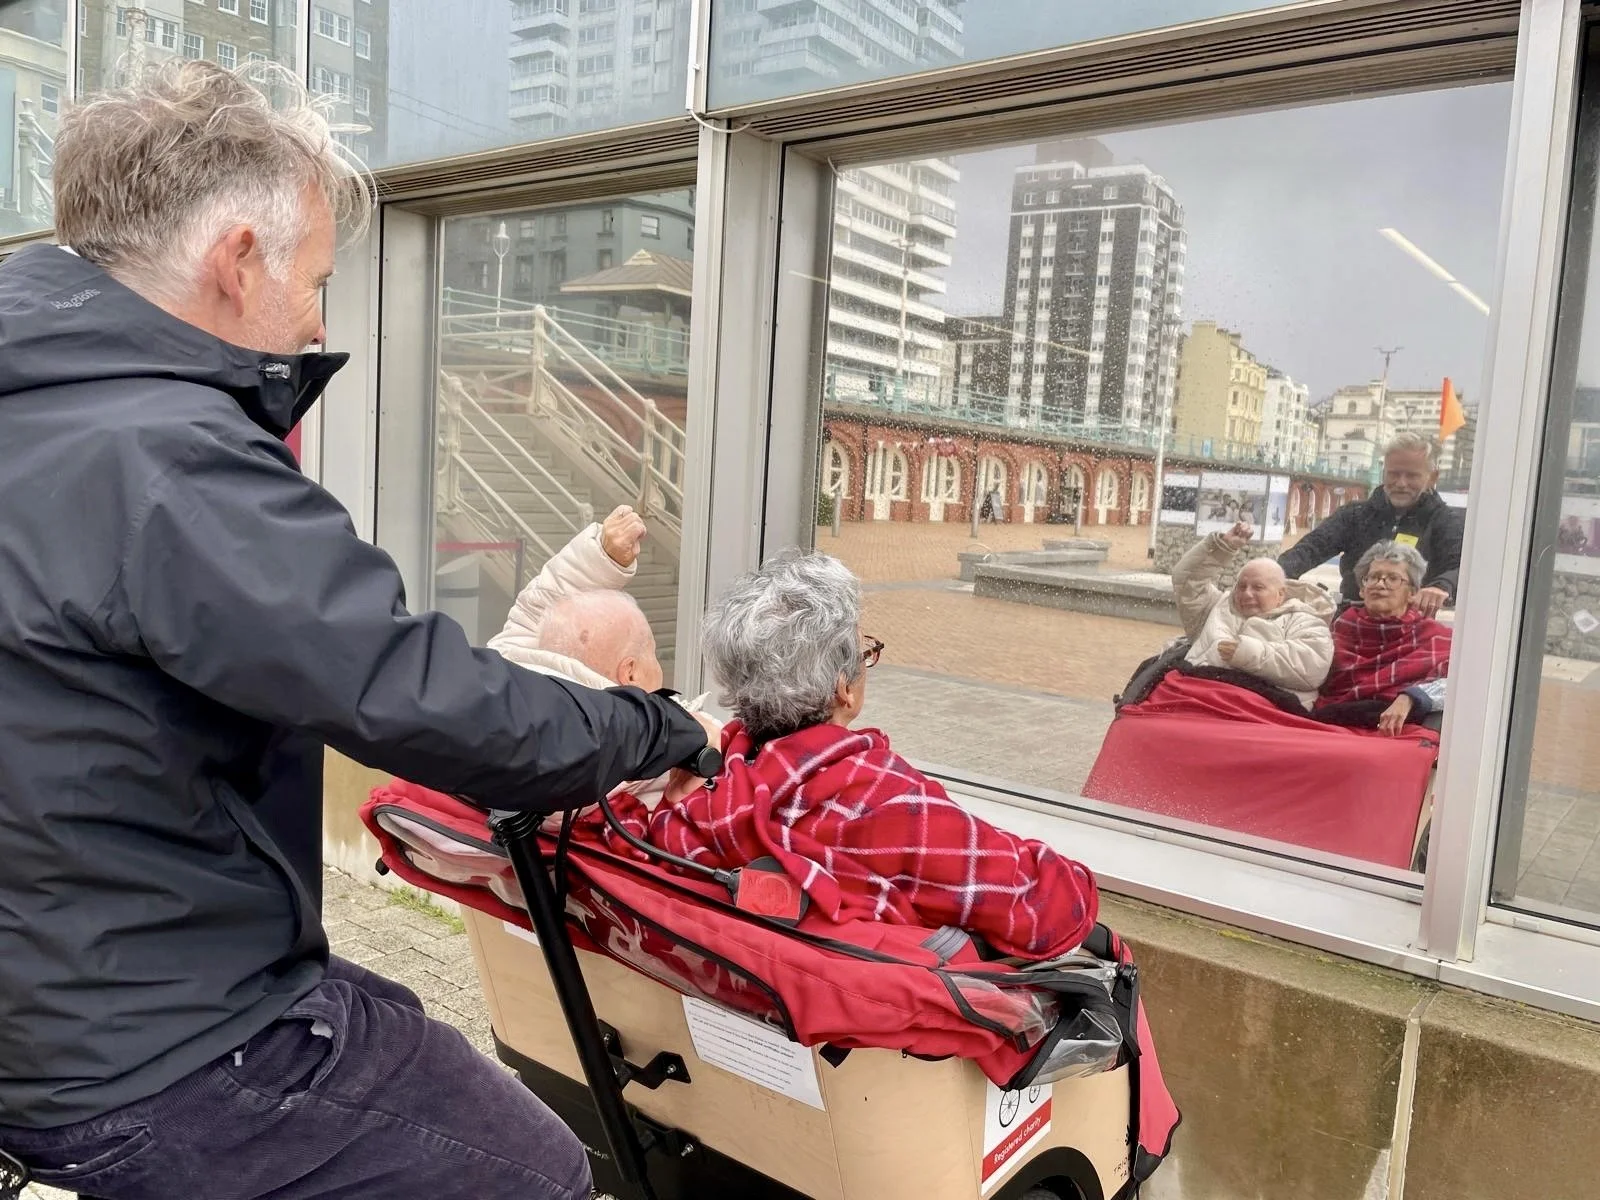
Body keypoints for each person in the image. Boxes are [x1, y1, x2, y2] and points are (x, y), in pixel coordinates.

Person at [0, 62, 712, 1200]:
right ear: (238, 262)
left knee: (385, 1024)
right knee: (529, 1169)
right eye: (318, 280)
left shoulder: (36, 404)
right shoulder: (167, 457)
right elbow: (417, 695)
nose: (322, 322)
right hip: (152, 1047)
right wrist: (654, 729)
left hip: (50, 998)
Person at [591, 550, 1100, 961]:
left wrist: (671, 799)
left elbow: (624, 832)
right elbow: (1054, 911)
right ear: (843, 690)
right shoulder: (888, 803)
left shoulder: (707, 801)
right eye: (864, 655)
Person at [485, 503, 718, 805]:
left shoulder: (505, 690)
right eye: (654, 654)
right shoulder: (646, 759)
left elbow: (534, 610)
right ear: (630, 673)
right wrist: (695, 733)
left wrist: (603, 556)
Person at [1277, 432, 1464, 618]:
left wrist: (1442, 586)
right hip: (1350, 624)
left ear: (1433, 477)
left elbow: (1461, 568)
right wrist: (1274, 574)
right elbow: (1310, 549)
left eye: (1412, 476)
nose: (1401, 483)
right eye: (1393, 474)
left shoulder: (1445, 522)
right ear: (1384, 473)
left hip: (1411, 632)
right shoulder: (1355, 515)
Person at [1170, 521, 1335, 709]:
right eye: (1241, 586)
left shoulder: (1305, 619)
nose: (1247, 594)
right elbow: (1187, 580)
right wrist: (1222, 547)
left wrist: (1246, 653)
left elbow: (1312, 668)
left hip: (1264, 708)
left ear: (1281, 594)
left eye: (1258, 588)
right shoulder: (1215, 607)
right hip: (1197, 695)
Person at [1315, 542, 1452, 735]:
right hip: (1331, 722)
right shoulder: (1338, 629)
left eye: (1392, 578)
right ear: (1362, 590)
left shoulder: (1434, 636)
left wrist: (1412, 697)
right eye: (1373, 578)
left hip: (1397, 730)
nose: (1380, 584)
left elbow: (1463, 681)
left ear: (1412, 592)